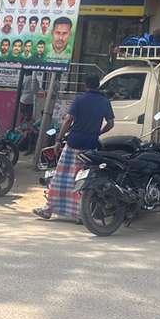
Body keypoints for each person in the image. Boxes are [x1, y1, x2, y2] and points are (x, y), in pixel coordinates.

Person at [33, 74, 115, 222]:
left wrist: (58, 140)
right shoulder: (104, 102)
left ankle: (49, 208)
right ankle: (80, 214)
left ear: (85, 85)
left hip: (73, 143)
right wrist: (98, 133)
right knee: (83, 181)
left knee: (61, 177)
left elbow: (68, 120)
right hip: (91, 146)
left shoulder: (79, 100)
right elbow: (110, 124)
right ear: (98, 85)